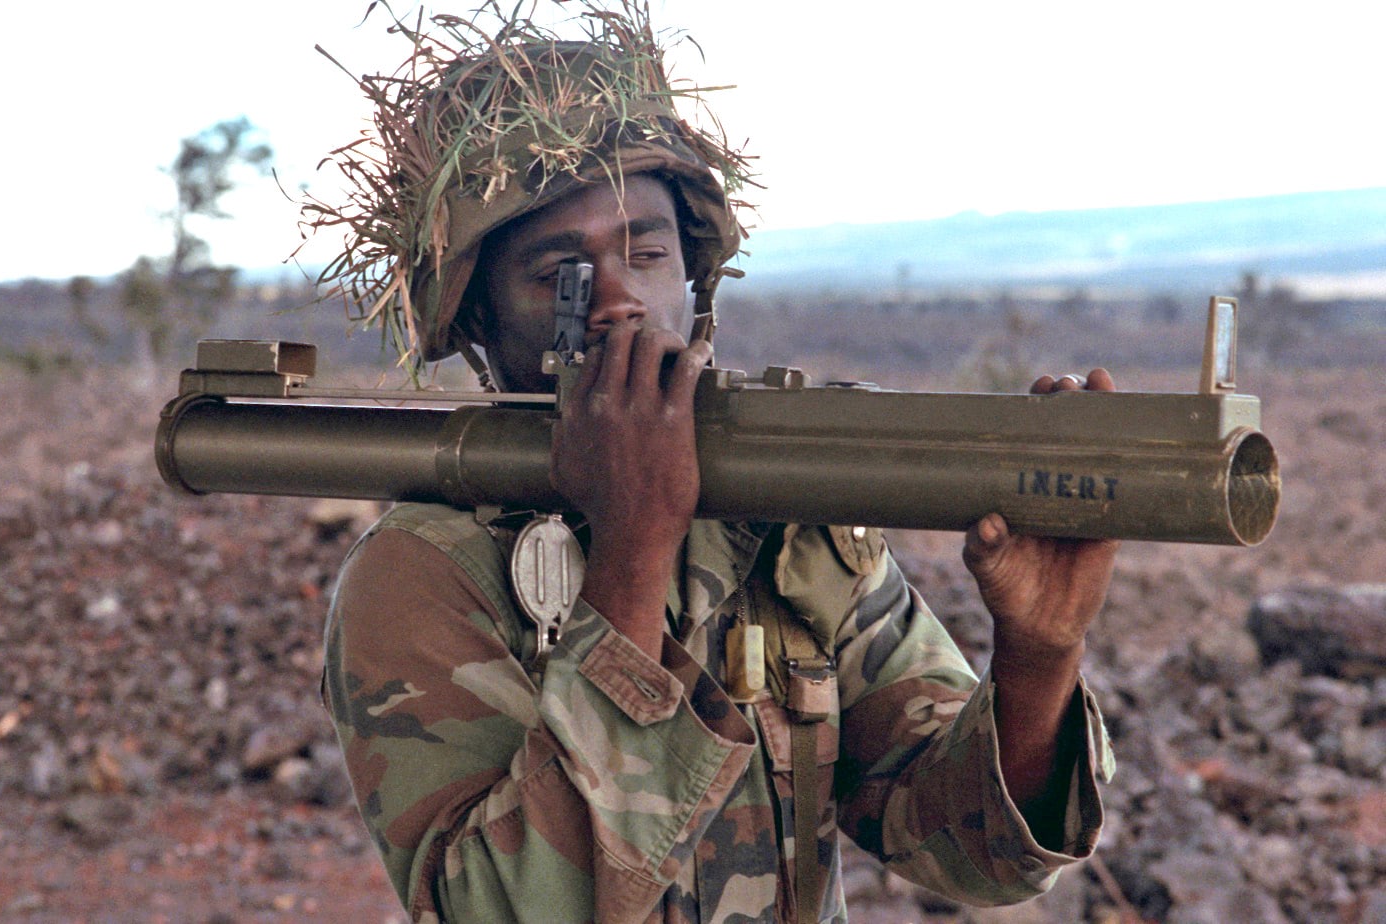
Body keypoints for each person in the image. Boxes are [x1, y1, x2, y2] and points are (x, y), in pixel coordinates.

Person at [316, 5, 1117, 922]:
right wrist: (632, 550)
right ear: (480, 321)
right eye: (559, 278)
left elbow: (970, 853)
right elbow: (499, 911)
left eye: (647, 253)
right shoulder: (424, 574)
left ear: (693, 282)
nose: (618, 305)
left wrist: (1040, 653)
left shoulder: (772, 519)